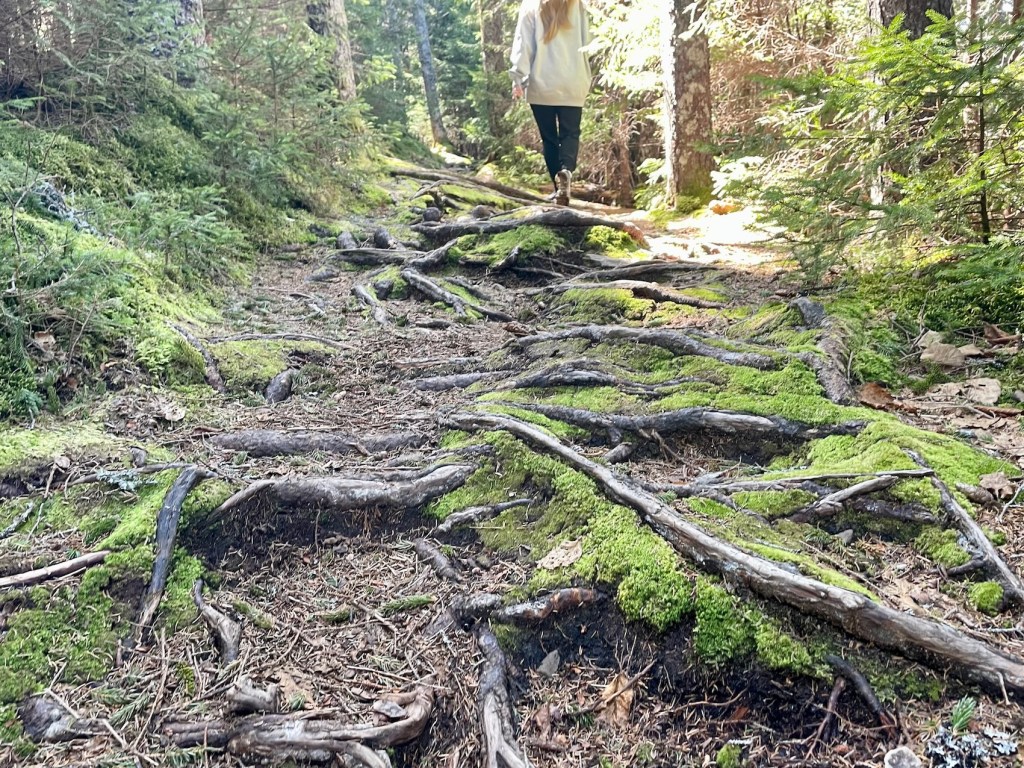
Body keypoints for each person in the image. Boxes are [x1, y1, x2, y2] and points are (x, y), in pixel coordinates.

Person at [510, 0, 592, 207]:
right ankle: (566, 172)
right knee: (570, 133)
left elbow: (523, 44)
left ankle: (559, 189)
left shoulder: (531, 5)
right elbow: (588, 39)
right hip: (573, 81)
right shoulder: (578, 4)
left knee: (549, 139)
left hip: (541, 83)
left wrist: (518, 77)